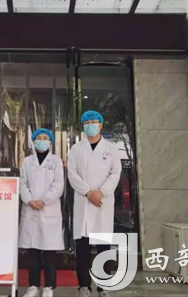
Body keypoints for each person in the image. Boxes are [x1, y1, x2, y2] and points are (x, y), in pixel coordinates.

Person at [67, 111, 122, 297]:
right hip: (84, 201)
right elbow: (72, 174)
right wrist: (89, 192)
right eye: (87, 122)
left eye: (94, 122)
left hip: (102, 203)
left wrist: (101, 192)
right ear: (83, 126)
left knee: (103, 249)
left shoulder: (111, 149)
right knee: (82, 250)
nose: (90, 125)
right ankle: (84, 286)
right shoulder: (76, 149)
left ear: (101, 125)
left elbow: (115, 173)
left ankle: (103, 287)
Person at [19, 128, 65, 297]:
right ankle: (33, 286)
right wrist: (29, 200)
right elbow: (22, 183)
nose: (42, 141)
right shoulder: (27, 161)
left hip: (49, 210)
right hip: (31, 209)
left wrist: (44, 200)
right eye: (39, 138)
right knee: (33, 251)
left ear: (50, 142)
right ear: (33, 141)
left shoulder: (56, 161)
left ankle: (49, 287)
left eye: (45, 138)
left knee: (49, 251)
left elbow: (58, 186)